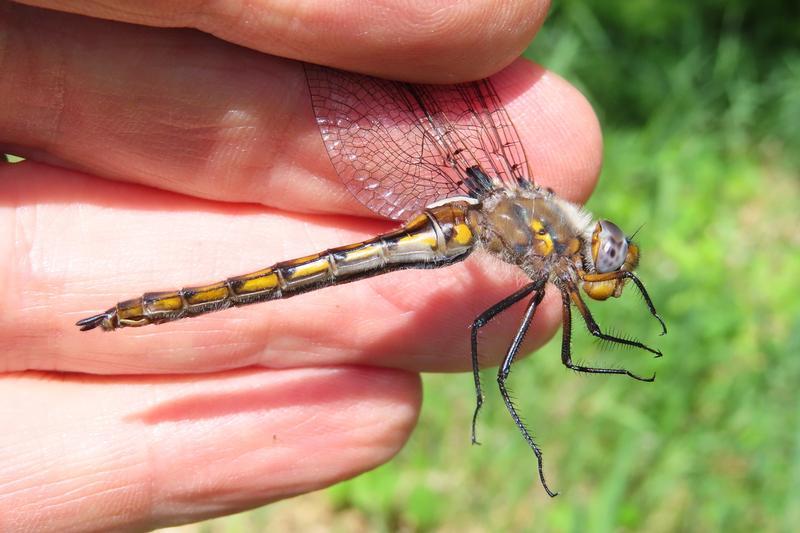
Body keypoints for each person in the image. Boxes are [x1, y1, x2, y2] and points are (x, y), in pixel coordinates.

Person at [0, 0, 602, 528]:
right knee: (291, 282)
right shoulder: (548, 251)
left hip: (464, 218)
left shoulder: (541, 233)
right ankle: (136, 311)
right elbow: (539, 333)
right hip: (456, 223)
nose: (605, 263)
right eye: (605, 255)